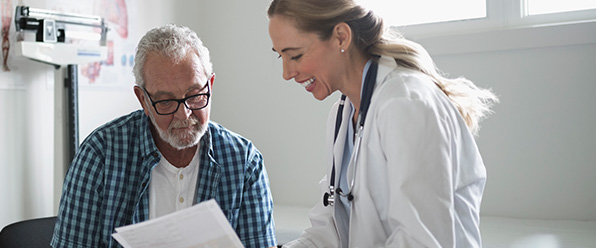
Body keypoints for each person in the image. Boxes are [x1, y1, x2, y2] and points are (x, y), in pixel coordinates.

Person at [266, 0, 499, 247]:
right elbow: (333, 228)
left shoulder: (406, 104)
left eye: (295, 55)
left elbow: (421, 241)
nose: (287, 72)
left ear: (342, 37)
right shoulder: (342, 114)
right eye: (281, 56)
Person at [51, 24, 277, 248]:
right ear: (143, 101)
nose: (184, 113)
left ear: (210, 85)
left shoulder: (244, 161)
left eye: (195, 95)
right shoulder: (101, 153)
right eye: (166, 101)